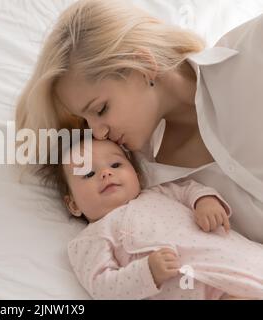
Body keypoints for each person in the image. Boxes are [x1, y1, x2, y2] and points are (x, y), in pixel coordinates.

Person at [15, 0, 263, 242]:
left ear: (144, 65)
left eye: (101, 109)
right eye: (85, 121)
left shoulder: (253, 51)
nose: (98, 133)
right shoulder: (141, 185)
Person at [60, 138, 263, 299]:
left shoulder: (159, 193)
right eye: (88, 174)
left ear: (137, 176)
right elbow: (102, 286)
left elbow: (190, 190)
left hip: (236, 261)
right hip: (197, 289)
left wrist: (205, 201)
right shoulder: (91, 237)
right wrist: (146, 272)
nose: (106, 173)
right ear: (73, 205)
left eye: (115, 164)